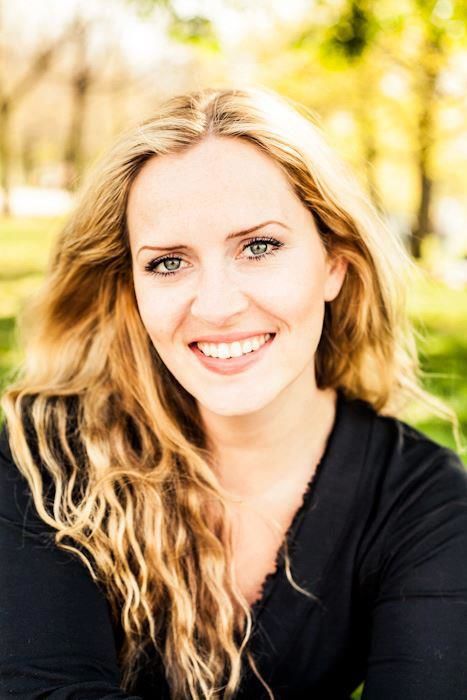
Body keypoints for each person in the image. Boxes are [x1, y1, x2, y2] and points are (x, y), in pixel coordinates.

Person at [0, 85, 466, 700]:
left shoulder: (423, 502)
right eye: (168, 262)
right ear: (132, 286)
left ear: (334, 263)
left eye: (259, 247)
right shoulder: (47, 456)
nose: (217, 306)